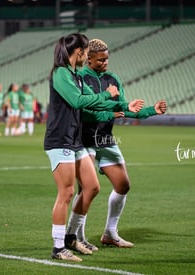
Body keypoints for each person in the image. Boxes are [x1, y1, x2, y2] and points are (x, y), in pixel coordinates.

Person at [44, 33, 143, 262]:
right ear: (79, 52)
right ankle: (58, 247)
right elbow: (78, 101)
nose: (88, 55)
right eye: (87, 51)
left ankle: (70, 237)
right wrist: (104, 95)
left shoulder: (75, 73)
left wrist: (123, 105)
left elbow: (94, 99)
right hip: (60, 139)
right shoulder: (60, 73)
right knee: (67, 192)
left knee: (92, 187)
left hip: (75, 139)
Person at [68, 38, 167, 251]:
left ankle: (110, 233)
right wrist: (113, 110)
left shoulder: (113, 79)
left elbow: (125, 107)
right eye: (100, 60)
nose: (105, 63)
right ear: (89, 59)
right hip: (84, 139)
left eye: (107, 59)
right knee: (86, 188)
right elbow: (84, 111)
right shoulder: (80, 78)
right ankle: (76, 237)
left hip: (105, 139)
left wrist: (151, 110)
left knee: (123, 185)